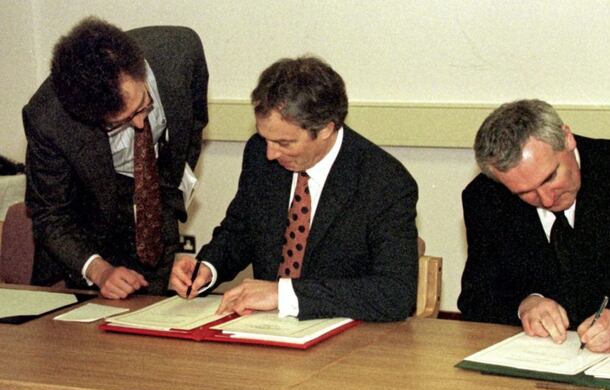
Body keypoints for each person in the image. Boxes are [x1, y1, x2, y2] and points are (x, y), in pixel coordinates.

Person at [170, 56, 418, 322]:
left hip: (347, 341)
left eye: (284, 143)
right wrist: (208, 268)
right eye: (265, 138)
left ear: (325, 129)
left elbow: (395, 293)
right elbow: (241, 230)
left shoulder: (384, 181)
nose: (270, 153)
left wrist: (284, 294)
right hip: (263, 330)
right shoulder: (259, 152)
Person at [458, 99, 610, 353]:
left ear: (567, 139)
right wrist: (526, 304)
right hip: (549, 359)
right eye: (525, 193)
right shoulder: (485, 197)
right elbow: (476, 297)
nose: (546, 199)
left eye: (550, 178)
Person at [23, 17, 208, 299]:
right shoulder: (48, 118)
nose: (139, 124)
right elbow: (50, 215)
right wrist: (99, 270)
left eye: (143, 106)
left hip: (155, 195)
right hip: (88, 225)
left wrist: (164, 193)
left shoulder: (181, 52)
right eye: (120, 122)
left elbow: (193, 126)